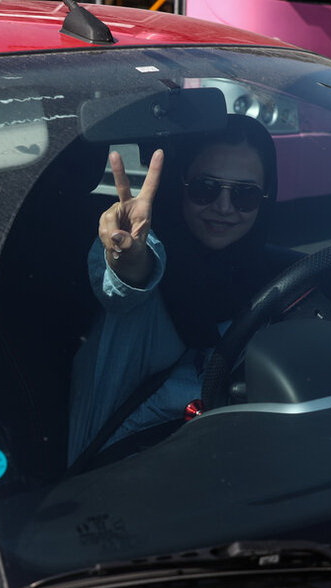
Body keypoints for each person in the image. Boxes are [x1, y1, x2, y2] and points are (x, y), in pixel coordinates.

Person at [68, 114, 279, 467]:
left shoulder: (268, 282)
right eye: (205, 188)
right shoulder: (151, 250)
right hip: (110, 473)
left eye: (246, 195)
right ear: (178, 184)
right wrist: (127, 257)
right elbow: (127, 283)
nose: (224, 207)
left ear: (266, 198)